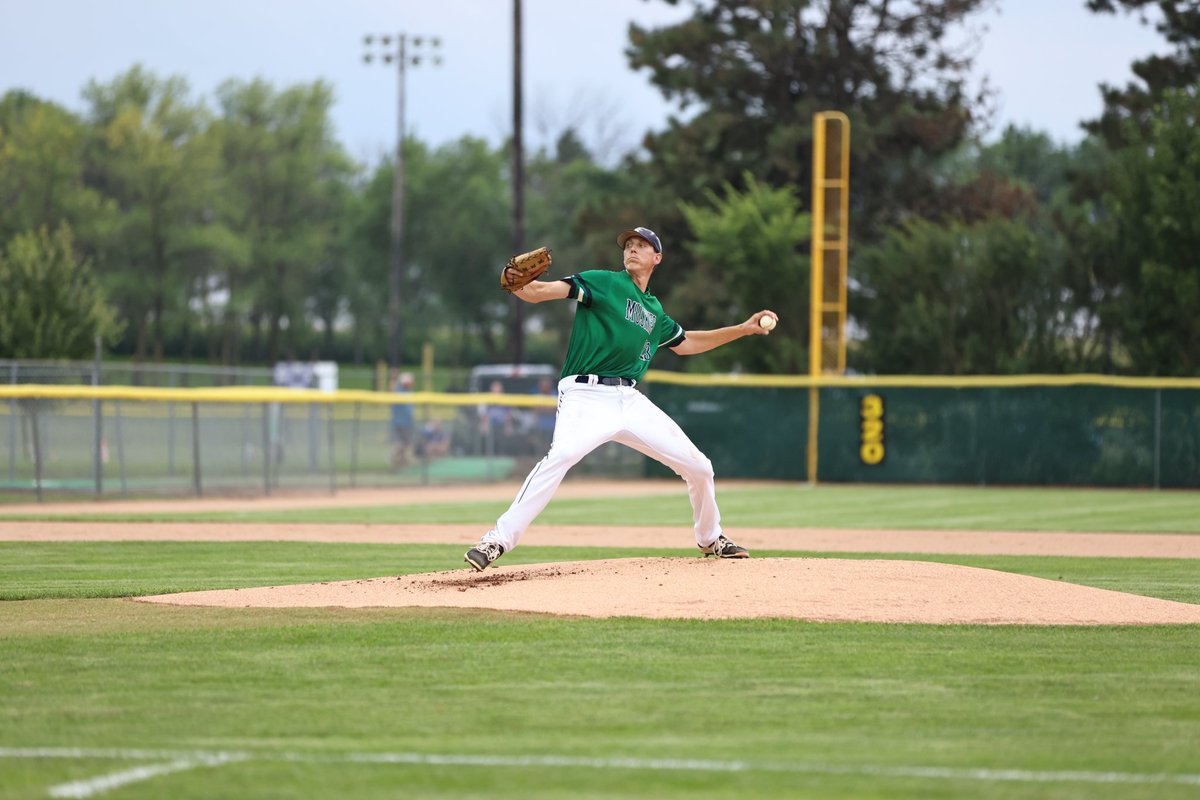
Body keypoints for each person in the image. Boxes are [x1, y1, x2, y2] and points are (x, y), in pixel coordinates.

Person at [464, 226, 779, 571]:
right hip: (585, 394)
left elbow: (687, 343)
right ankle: (496, 540)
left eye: (642, 245)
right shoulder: (603, 282)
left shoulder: (654, 310)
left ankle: (710, 537)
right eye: (629, 244)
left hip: (629, 399)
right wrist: (516, 282)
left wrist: (743, 329)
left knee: (700, 467)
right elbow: (538, 292)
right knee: (563, 455)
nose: (632, 248)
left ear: (656, 258)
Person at [389, 371, 416, 469]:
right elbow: (392, 390)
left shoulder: (410, 392)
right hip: (398, 423)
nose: (408, 384)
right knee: (398, 446)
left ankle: (405, 466)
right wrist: (393, 379)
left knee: (408, 446)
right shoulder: (399, 389)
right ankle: (396, 465)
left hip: (408, 423)